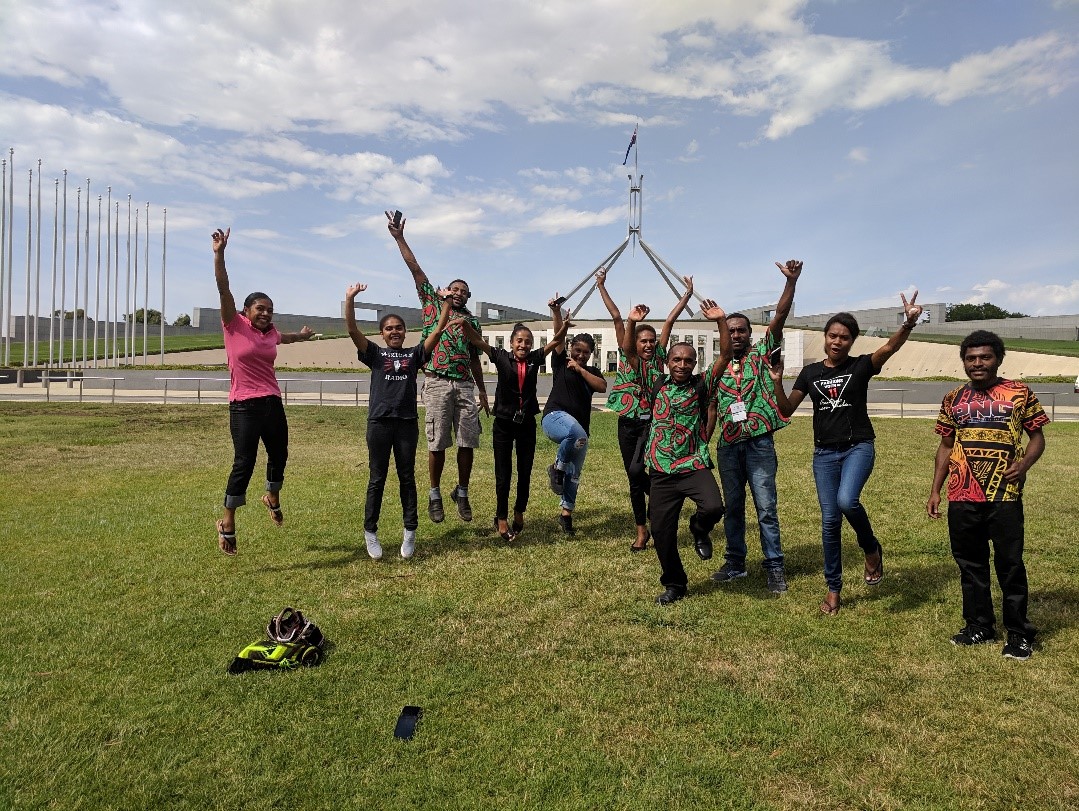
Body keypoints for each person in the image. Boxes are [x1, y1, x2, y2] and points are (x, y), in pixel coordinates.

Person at [771, 291, 923, 616]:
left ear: (852, 341)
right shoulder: (811, 373)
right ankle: (834, 588)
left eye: (844, 337)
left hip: (858, 447)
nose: (837, 342)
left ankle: (871, 549)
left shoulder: (861, 366)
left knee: (846, 502)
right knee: (829, 522)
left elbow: (890, 347)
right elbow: (786, 409)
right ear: (825, 338)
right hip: (823, 454)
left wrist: (908, 323)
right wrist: (775, 380)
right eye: (833, 336)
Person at [927, 330, 1048, 660]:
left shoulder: (1019, 393)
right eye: (971, 358)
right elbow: (945, 445)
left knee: (1010, 564)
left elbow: (1037, 438)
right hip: (962, 493)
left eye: (985, 357)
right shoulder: (953, 399)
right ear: (964, 361)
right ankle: (979, 626)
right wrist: (935, 490)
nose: (977, 363)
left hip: (1004, 494)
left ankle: (1019, 633)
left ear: (998, 359)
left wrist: (1023, 465)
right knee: (970, 564)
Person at [212, 227, 314, 556]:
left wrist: (302, 335)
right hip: (244, 405)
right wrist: (219, 254)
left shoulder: (271, 334)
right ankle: (227, 520)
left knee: (280, 454)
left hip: (272, 403)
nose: (266, 312)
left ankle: (271, 496)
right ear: (246, 311)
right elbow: (224, 288)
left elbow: (288, 339)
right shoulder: (233, 324)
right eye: (260, 308)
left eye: (270, 308)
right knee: (244, 461)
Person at [387, 211, 489, 525]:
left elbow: (474, 359)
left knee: (467, 441)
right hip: (436, 382)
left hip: (464, 385)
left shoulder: (472, 322)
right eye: (454, 289)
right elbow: (415, 268)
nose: (458, 293)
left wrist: (483, 391)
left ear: (469, 297)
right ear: (446, 290)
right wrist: (400, 238)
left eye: (463, 291)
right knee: (437, 442)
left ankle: (462, 490)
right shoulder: (432, 303)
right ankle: (434, 493)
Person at [710, 260, 802, 594]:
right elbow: (709, 408)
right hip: (729, 446)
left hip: (759, 443)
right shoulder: (717, 367)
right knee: (733, 507)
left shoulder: (763, 354)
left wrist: (790, 282)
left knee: (766, 507)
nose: (735, 335)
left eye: (741, 330)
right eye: (730, 331)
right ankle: (736, 563)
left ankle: (774, 567)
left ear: (750, 334)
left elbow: (778, 316)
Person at [345, 282, 453, 560]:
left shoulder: (414, 354)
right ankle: (370, 532)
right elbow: (352, 331)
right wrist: (350, 300)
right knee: (377, 479)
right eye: (389, 328)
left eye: (399, 328)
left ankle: (410, 531)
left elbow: (439, 330)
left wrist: (447, 303)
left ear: (406, 331)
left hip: (406, 423)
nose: (394, 331)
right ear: (381, 333)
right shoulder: (375, 354)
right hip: (379, 423)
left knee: (406, 477)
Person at [643, 299, 732, 605]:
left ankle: (698, 529)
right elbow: (634, 347)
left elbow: (726, 356)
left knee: (714, 507)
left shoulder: (701, 386)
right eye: (677, 360)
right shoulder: (657, 382)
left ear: (695, 364)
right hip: (661, 469)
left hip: (692, 463)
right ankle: (675, 584)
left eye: (689, 361)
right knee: (662, 532)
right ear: (668, 362)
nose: (682, 365)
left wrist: (720, 320)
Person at [600, 269, 694, 552]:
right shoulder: (628, 356)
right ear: (635, 344)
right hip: (628, 422)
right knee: (633, 474)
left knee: (650, 473)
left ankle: (657, 513)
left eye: (652, 341)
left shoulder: (660, 358)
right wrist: (603, 287)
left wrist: (686, 295)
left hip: (653, 424)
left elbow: (669, 320)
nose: (649, 344)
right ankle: (642, 528)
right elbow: (618, 318)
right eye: (644, 341)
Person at [454, 316, 570, 540]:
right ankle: (501, 517)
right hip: (504, 424)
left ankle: (519, 511)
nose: (523, 345)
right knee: (503, 474)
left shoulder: (536, 358)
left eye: (527, 341)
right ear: (511, 343)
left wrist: (563, 327)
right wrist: (464, 325)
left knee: (524, 472)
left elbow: (556, 342)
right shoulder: (499, 356)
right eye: (519, 341)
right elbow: (477, 342)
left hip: (526, 423)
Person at [541, 298, 608, 536]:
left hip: (580, 433)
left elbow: (601, 387)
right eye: (577, 351)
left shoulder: (590, 371)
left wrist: (580, 370)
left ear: (591, 354)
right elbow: (558, 339)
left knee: (575, 475)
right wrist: (556, 312)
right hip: (553, 418)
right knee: (575, 435)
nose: (580, 355)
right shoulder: (560, 362)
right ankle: (556, 468)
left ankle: (566, 515)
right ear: (571, 349)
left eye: (585, 353)